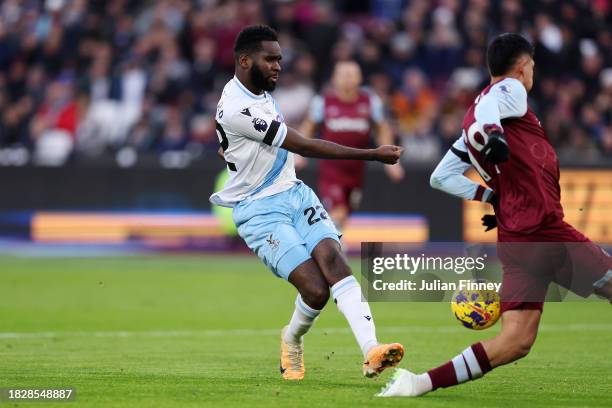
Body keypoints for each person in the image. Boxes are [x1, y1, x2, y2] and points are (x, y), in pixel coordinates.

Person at [378, 33, 612, 397]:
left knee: (516, 341)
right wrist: (493, 136)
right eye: (531, 65)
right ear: (522, 66)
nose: (531, 72)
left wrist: (492, 197)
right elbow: (490, 110)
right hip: (544, 230)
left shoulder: (469, 124)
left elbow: (440, 177)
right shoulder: (510, 92)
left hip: (517, 239)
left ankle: (416, 383)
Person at [209, 25, 405, 381]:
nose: (277, 66)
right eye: (270, 59)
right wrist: (372, 155)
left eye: (279, 59)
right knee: (315, 289)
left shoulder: (255, 90)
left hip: (295, 193)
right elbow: (305, 145)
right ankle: (291, 338)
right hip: (259, 210)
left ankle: (371, 351)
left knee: (333, 259)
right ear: (244, 60)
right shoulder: (239, 108)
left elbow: (228, 141)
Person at [297, 61, 404, 231]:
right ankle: (332, 249)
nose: (347, 78)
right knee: (337, 211)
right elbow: (308, 126)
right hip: (331, 170)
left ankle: (334, 245)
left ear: (360, 78)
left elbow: (382, 128)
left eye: (351, 73)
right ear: (334, 79)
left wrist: (392, 162)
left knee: (346, 212)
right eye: (343, 74)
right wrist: (298, 153)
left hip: (356, 170)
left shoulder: (370, 102)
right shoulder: (323, 102)